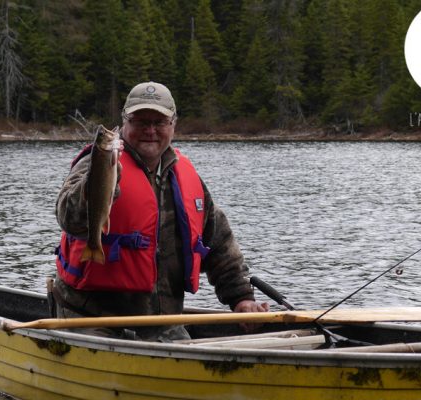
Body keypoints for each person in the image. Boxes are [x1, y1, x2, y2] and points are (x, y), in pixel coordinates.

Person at [53, 81, 268, 341]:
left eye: (159, 122)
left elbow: (219, 244)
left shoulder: (186, 178)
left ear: (173, 125)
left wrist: (241, 298)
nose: (150, 130)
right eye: (140, 121)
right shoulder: (98, 162)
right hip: (92, 317)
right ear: (124, 124)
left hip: (160, 320)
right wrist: (94, 187)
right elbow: (67, 216)